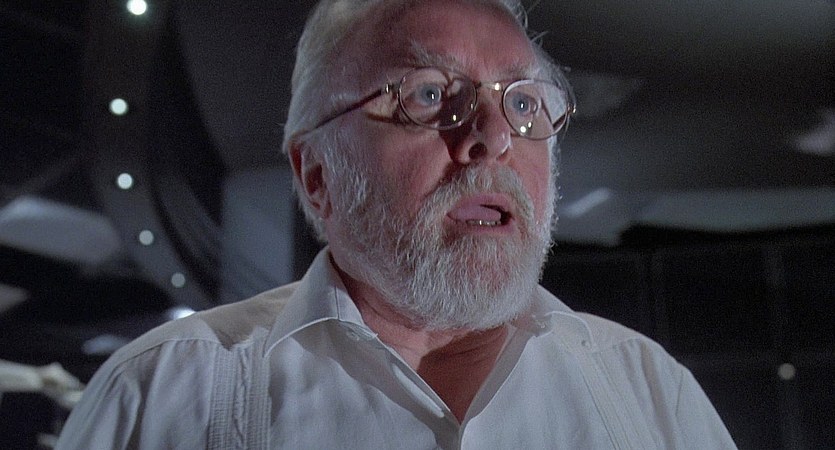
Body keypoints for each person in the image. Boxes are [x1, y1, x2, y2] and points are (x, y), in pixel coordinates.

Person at [56, 0, 737, 448]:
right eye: (430, 94)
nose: (494, 137)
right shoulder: (162, 395)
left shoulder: (650, 391)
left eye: (525, 103)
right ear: (317, 174)